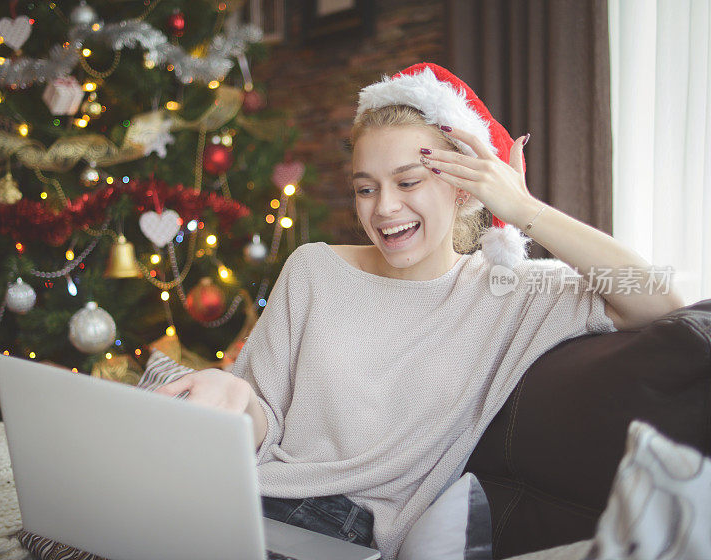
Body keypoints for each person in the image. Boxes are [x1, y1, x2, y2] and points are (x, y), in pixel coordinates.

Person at [154, 62, 685, 560]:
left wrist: (523, 209)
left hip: (339, 526)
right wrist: (238, 398)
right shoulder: (313, 269)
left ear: (462, 188)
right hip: (239, 495)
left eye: (408, 182)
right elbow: (264, 422)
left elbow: (659, 302)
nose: (383, 207)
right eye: (366, 189)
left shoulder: (509, 293)